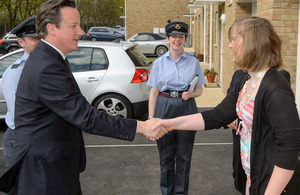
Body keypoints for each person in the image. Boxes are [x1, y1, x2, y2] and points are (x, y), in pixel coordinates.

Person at [0, 0, 166, 194]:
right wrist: (142, 126)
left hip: (52, 165)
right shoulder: (47, 66)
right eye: (74, 26)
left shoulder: (49, 59)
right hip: (45, 172)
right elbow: (85, 116)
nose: (82, 32)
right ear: (51, 28)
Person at [154, 17, 300, 194]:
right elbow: (217, 116)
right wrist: (168, 124)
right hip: (251, 178)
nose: (229, 46)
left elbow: (290, 149)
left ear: (252, 42)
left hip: (272, 185)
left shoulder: (275, 88)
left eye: (233, 39)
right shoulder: (245, 80)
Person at [147, 21, 206, 194]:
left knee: (184, 156)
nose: (177, 40)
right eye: (174, 36)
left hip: (186, 106)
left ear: (185, 39)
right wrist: (151, 119)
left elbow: (199, 89)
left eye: (181, 37)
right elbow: (153, 93)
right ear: (167, 39)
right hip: (164, 107)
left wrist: (191, 94)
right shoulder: (158, 63)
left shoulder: (193, 61)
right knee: (165, 157)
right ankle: (167, 192)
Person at [0, 16, 40, 195]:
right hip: (20, 138)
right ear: (21, 42)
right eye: (34, 39)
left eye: (41, 38)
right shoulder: (16, 72)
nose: (39, 43)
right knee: (18, 188)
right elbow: (20, 115)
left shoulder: (47, 66)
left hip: (38, 137)